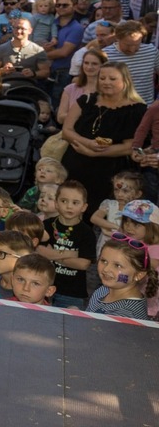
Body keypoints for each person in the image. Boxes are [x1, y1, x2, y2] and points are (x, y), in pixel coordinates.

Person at [60, 61, 147, 210]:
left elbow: (130, 146)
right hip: (75, 167)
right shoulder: (86, 101)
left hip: (110, 174)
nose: (106, 82)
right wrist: (88, 143)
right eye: (102, 78)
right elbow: (66, 131)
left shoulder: (136, 110)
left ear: (125, 81)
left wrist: (94, 153)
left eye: (112, 79)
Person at [37, 180, 97, 309]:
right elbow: (38, 252)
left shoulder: (87, 233)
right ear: (56, 203)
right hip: (42, 287)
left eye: (75, 203)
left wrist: (52, 255)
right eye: (64, 201)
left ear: (84, 207)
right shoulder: (46, 225)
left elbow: (83, 264)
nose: (69, 206)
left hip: (72, 293)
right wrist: (71, 254)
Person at [85, 234, 157, 319]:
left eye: (117, 265)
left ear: (139, 275)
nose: (106, 269)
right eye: (103, 261)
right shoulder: (104, 290)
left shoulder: (127, 315)